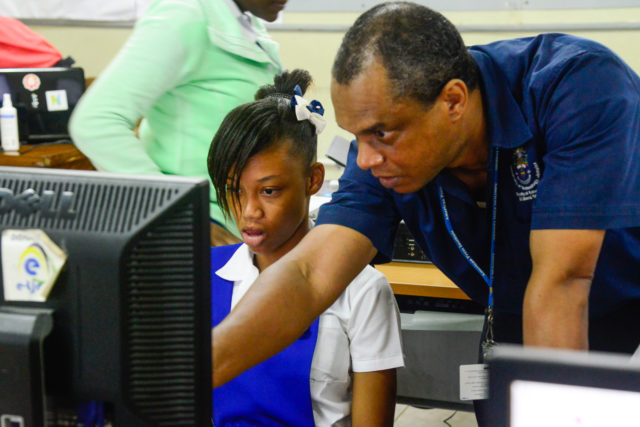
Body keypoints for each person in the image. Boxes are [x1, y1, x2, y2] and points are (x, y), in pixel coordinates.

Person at [212, 1, 640, 422]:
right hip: (515, 317)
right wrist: (190, 371)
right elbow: (308, 275)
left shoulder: (576, 87)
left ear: (453, 101)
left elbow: (562, 283)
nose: (365, 160)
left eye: (381, 133)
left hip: (616, 303)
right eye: (358, 137)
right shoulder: (382, 154)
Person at [208, 69, 404, 426]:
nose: (249, 211)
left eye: (269, 191)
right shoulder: (202, 275)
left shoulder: (362, 290)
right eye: (235, 190)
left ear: (312, 180)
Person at [69, 0, 287, 246]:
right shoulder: (183, 16)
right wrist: (179, 216)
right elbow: (95, 122)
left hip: (245, 224)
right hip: (205, 227)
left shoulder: (244, 21)